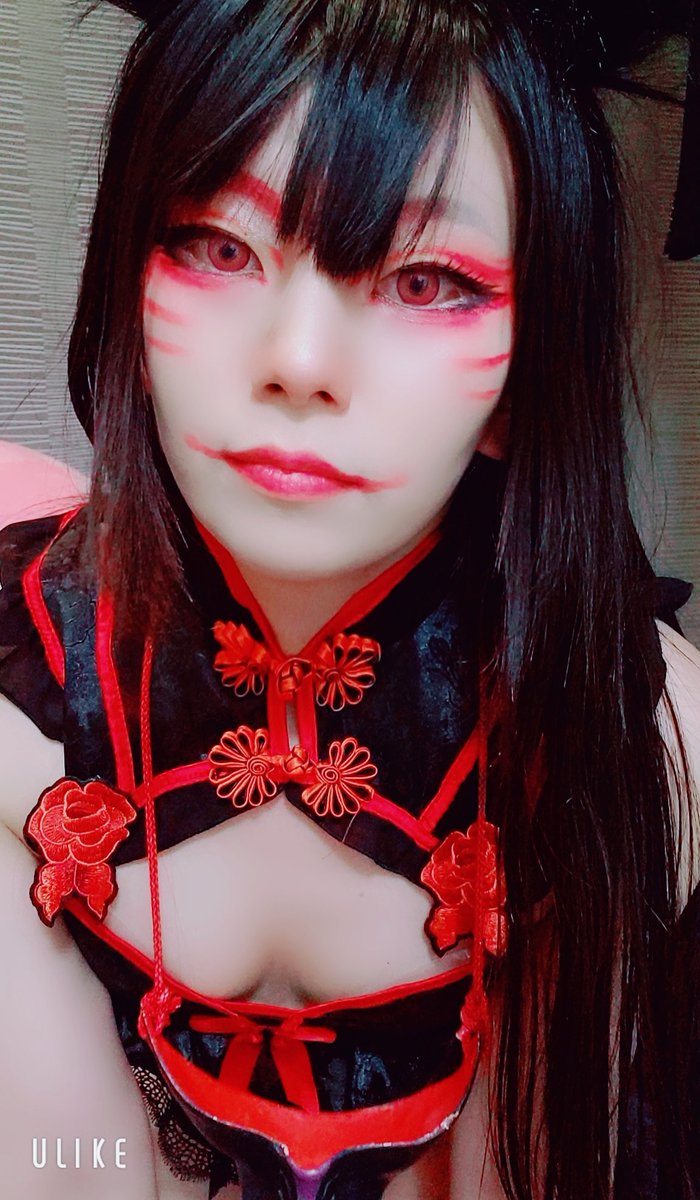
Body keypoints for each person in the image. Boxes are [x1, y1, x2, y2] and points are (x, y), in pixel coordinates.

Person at [0, 1, 698, 1198]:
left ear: (533, 365)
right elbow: (64, 1172)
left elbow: (531, 1170)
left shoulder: (645, 739)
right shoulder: (21, 698)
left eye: (425, 279)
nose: (299, 361)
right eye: (217, 247)